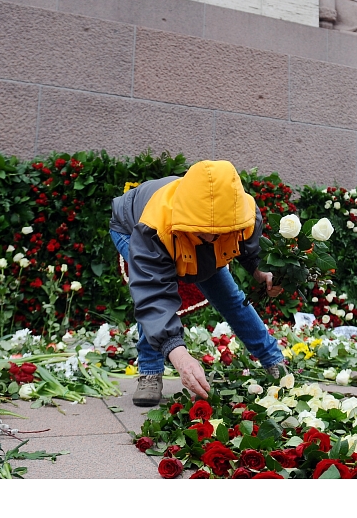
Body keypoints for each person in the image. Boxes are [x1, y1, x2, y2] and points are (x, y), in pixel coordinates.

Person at [109, 160, 286, 406]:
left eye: (221, 231)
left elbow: (247, 246)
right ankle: (150, 372)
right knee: (154, 295)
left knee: (231, 298)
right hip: (131, 227)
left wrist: (260, 271)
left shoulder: (242, 212)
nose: (213, 237)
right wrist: (180, 357)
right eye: (205, 231)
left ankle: (275, 362)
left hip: (183, 232)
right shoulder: (153, 229)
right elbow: (152, 294)